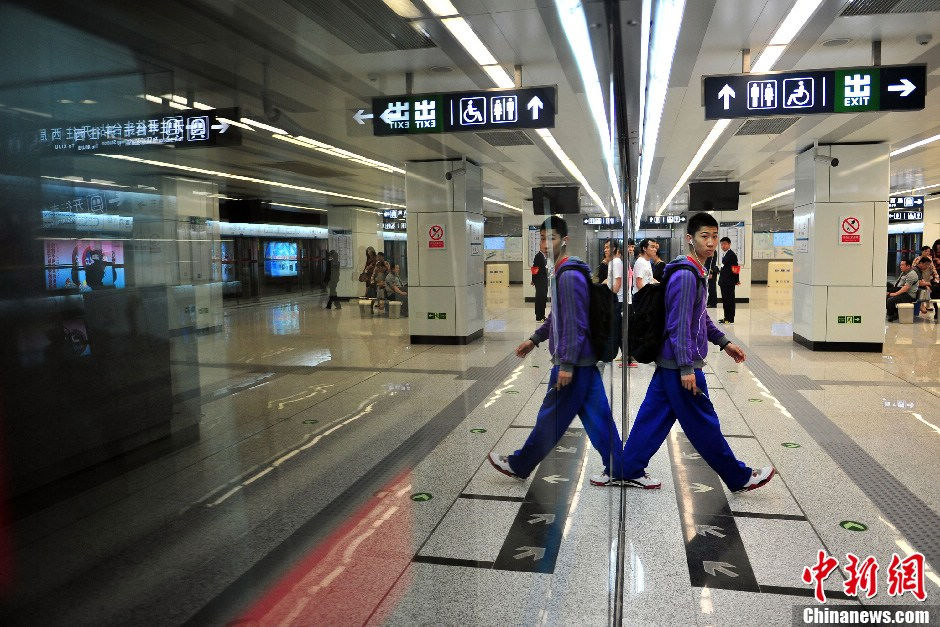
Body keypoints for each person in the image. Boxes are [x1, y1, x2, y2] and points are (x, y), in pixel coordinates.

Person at [618, 212, 774, 492]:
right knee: (703, 423)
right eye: (705, 236)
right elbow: (678, 325)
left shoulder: (696, 271)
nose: (711, 242)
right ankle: (738, 477)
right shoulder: (686, 276)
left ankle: (626, 468)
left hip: (671, 362)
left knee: (652, 418)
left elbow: (699, 317)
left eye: (714, 236)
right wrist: (687, 367)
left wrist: (724, 342)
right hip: (681, 365)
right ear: (690, 239)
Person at [489, 216, 626, 486]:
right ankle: (621, 467)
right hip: (582, 361)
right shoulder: (562, 271)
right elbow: (558, 317)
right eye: (541, 238)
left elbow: (575, 324)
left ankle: (520, 464)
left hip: (573, 362)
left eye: (550, 238)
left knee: (551, 417)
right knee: (599, 419)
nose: (544, 243)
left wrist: (565, 364)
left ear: (564, 240)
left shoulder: (568, 275)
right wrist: (536, 338)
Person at [717, 236, 739, 324]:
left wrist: (736, 280)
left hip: (728, 282)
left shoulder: (731, 255)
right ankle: (726, 318)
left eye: (725, 244)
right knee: (726, 300)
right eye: (721, 244)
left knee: (729, 300)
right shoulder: (726, 254)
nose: (723, 246)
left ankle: (730, 319)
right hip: (724, 282)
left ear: (729, 244)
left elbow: (735, 268)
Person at [532, 248, 549, 321]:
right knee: (540, 298)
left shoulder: (543, 256)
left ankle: (542, 315)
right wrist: (533, 280)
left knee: (542, 298)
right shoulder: (538, 256)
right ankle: (539, 316)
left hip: (543, 281)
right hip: (540, 281)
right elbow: (535, 268)